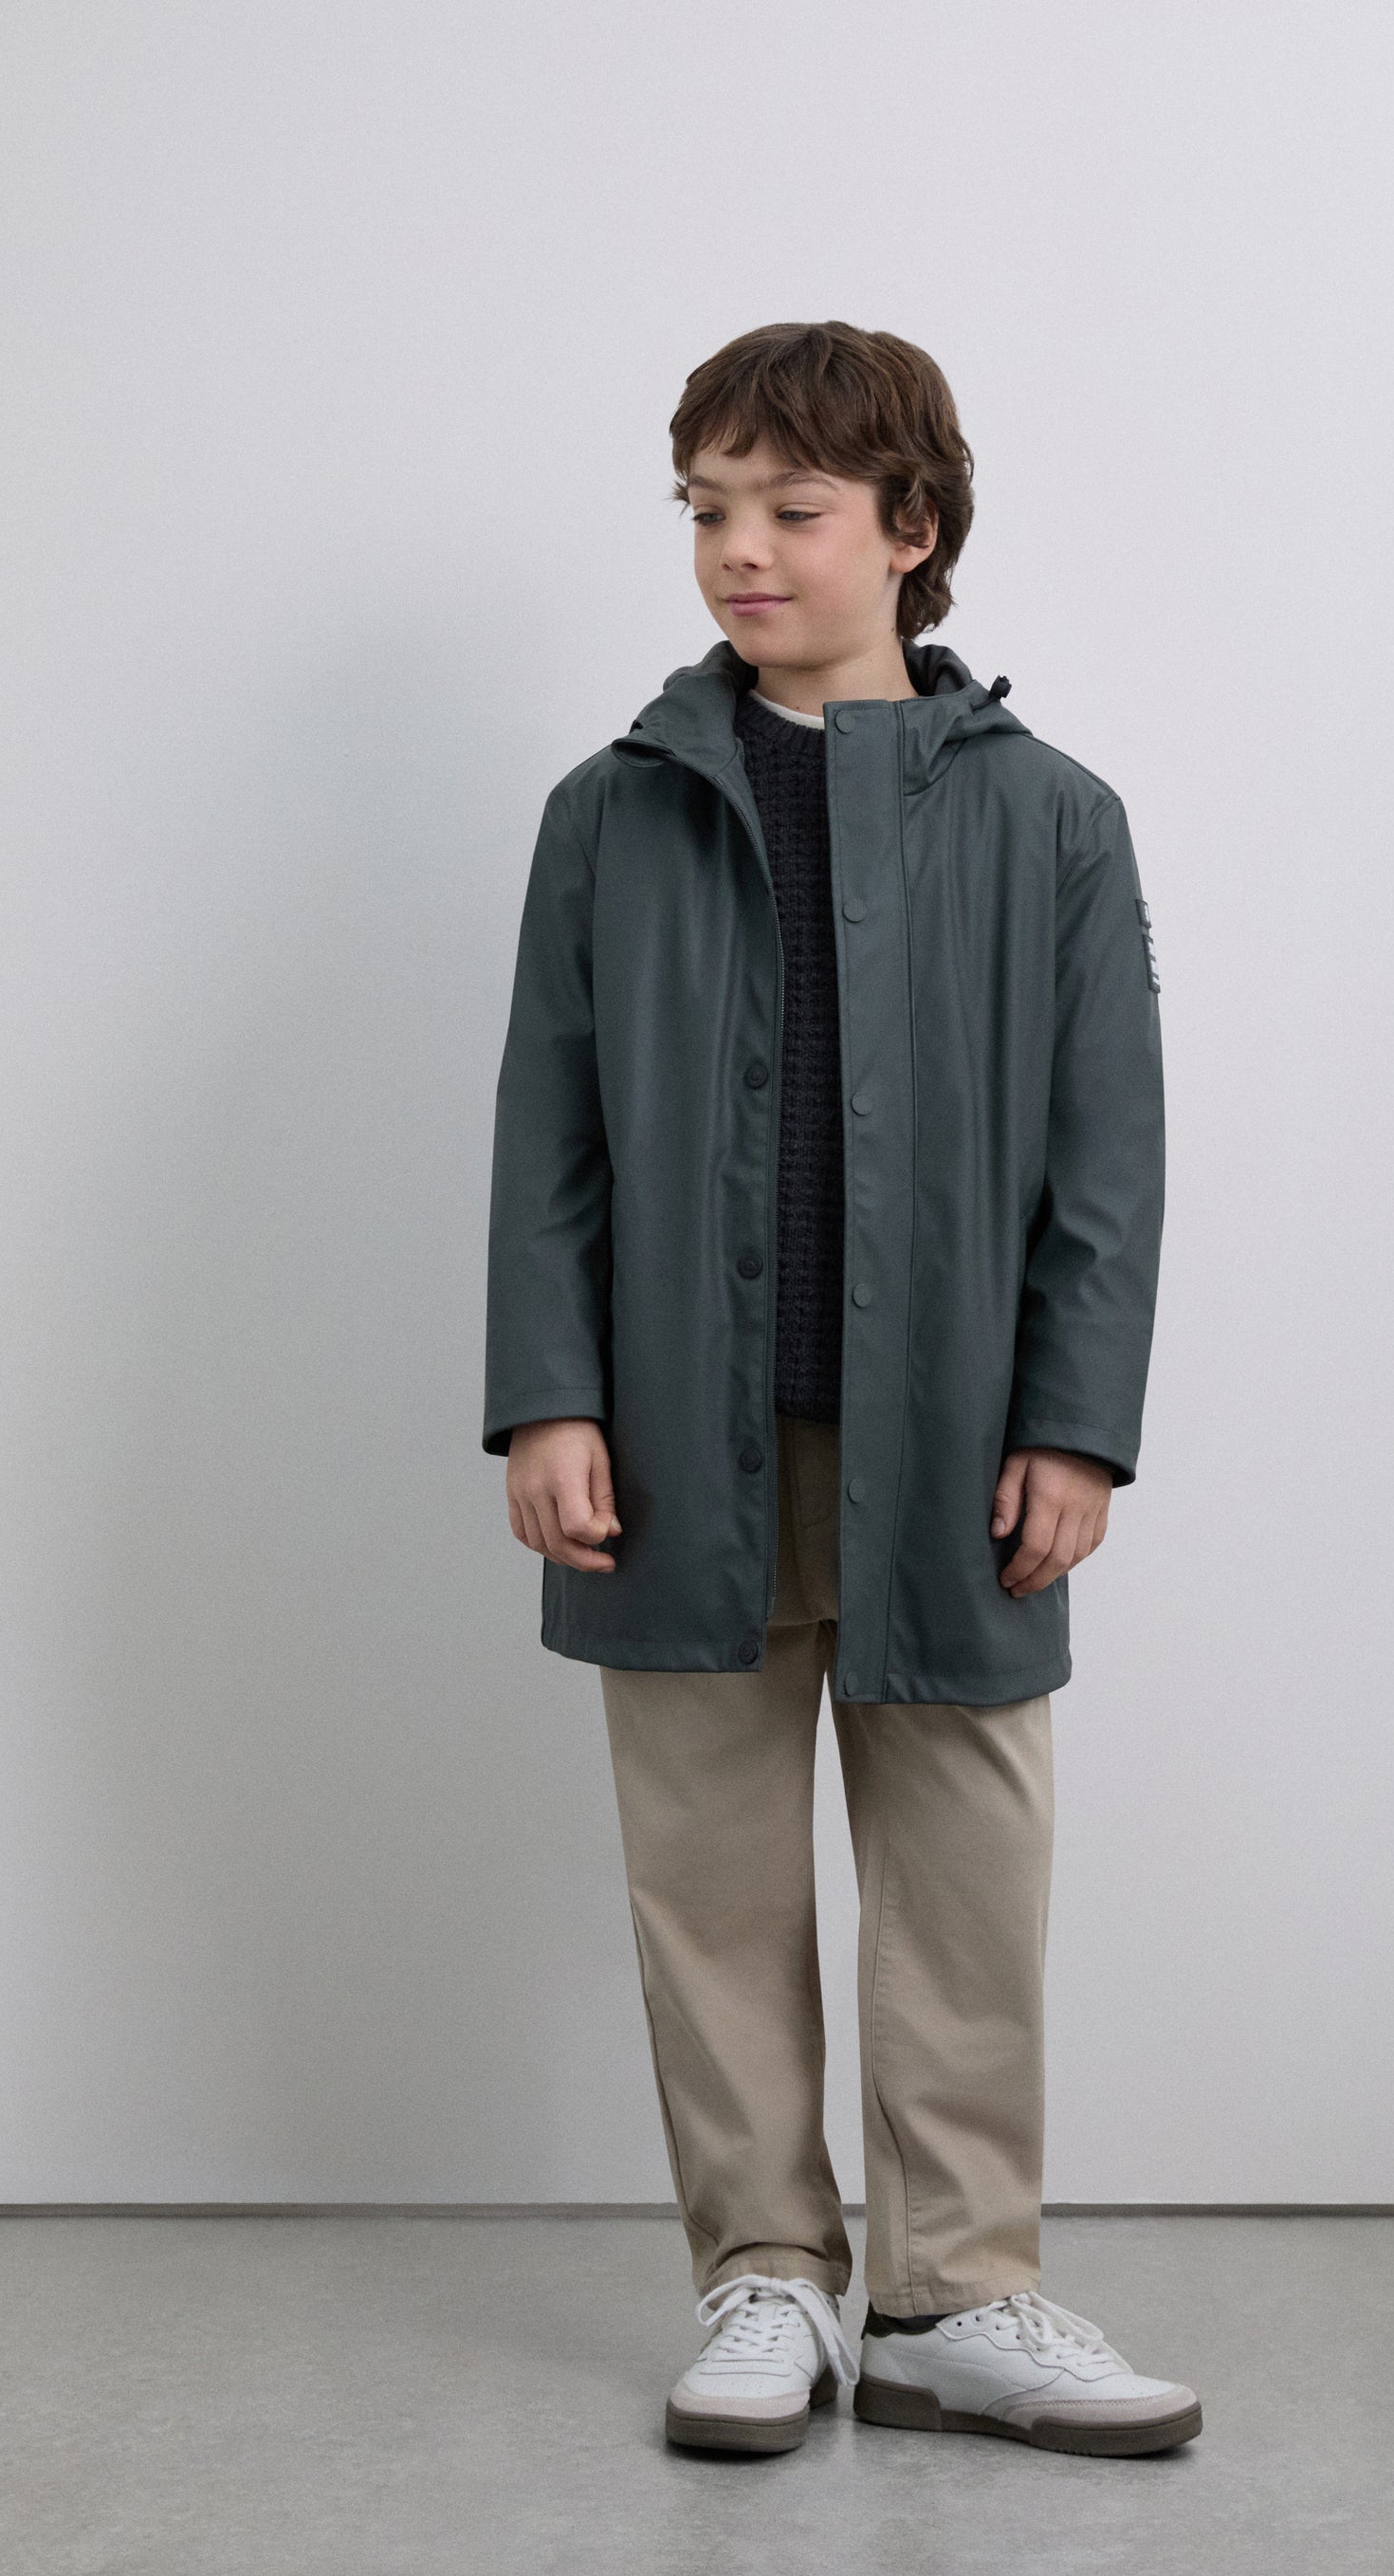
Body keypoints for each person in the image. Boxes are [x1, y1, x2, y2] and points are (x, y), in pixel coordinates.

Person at [483, 321, 1197, 2458]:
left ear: (910, 526)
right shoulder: (608, 815)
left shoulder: (1051, 820)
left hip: (953, 1448)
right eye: (707, 507)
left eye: (790, 507)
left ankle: (957, 2294)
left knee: (966, 1870)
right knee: (707, 1876)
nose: (740, 548)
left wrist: (1073, 1421)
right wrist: (547, 1394)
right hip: (671, 1439)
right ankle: (769, 2279)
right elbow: (549, 1134)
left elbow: (1109, 1155)